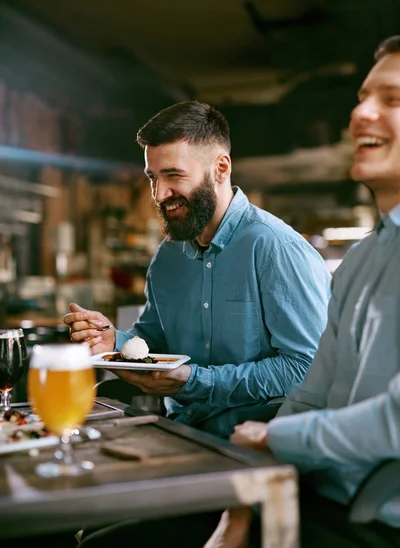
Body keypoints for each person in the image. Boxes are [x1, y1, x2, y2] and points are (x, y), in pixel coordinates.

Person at [190, 34, 400, 548]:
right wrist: (241, 509)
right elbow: (311, 393)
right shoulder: (362, 258)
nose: (361, 114)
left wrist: (276, 437)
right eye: (362, 97)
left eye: (392, 100)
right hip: (316, 501)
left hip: (380, 528)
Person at [64, 100, 331, 440]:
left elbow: (307, 369)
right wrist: (114, 340)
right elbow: (154, 341)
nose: (160, 194)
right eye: (152, 178)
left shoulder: (276, 249)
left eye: (174, 175)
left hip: (259, 448)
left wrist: (194, 380)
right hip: (182, 435)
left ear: (221, 168)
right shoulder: (168, 256)